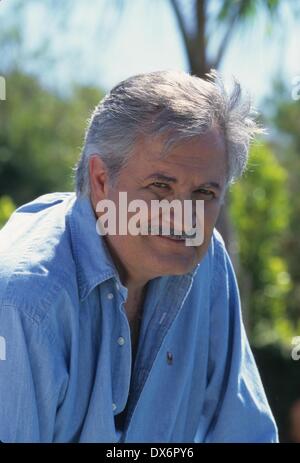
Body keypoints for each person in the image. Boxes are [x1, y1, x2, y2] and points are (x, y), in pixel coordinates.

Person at [0, 70, 278, 443]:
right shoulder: (24, 302)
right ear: (101, 181)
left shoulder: (208, 260)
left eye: (204, 193)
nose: (184, 218)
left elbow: (246, 433)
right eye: (160, 187)